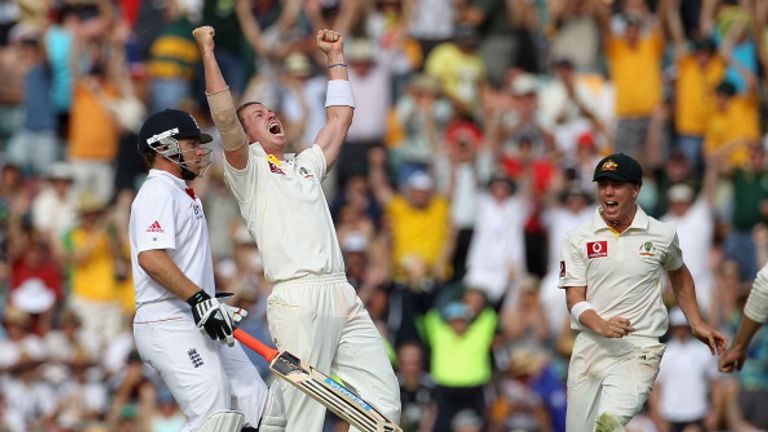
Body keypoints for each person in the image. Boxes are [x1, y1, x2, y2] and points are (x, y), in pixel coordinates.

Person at [193, 26, 401, 431]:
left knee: (384, 408)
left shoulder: (304, 164)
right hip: (298, 297)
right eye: (257, 115)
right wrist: (207, 51)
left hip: (342, 291)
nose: (270, 114)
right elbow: (223, 116)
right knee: (302, 419)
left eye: (269, 111)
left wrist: (335, 56)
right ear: (247, 136)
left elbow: (340, 119)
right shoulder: (248, 171)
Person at [558, 153, 726, 431]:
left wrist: (696, 322)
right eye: (603, 185)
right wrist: (600, 324)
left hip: (639, 349)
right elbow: (573, 296)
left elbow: (680, 274)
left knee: (608, 424)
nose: (608, 192)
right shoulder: (577, 237)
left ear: (636, 190)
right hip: (589, 349)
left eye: (617, 185)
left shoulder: (661, 233)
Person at [129, 108, 268, 432]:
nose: (199, 151)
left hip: (197, 316)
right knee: (215, 420)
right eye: (191, 144)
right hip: (167, 319)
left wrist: (207, 301)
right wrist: (199, 298)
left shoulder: (180, 192)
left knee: (260, 410)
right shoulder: (157, 192)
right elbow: (150, 258)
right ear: (164, 147)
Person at [719, 260, 768, 373]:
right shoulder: (717, 304)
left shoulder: (744, 300)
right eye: (726, 278)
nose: (730, 282)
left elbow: (763, 285)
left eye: (733, 277)